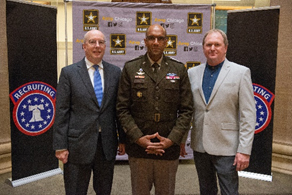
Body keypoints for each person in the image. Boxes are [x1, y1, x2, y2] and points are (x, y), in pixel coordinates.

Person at [116, 24, 193, 195]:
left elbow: (187, 110)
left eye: (160, 38)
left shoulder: (178, 69)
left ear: (166, 42)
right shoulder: (131, 68)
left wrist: (172, 140)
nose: (155, 42)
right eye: (151, 38)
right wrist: (138, 138)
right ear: (145, 41)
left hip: (167, 148)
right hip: (139, 148)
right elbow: (122, 109)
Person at [181, 29, 256, 195]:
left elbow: (248, 115)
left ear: (225, 48)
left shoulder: (241, 72)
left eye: (217, 44)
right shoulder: (192, 73)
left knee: (229, 191)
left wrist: (244, 150)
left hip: (227, 147)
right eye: (208, 44)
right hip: (200, 145)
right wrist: (182, 138)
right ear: (203, 48)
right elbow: (188, 110)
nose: (212, 48)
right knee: (206, 190)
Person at [53, 29, 126, 195]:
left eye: (101, 42)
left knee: (104, 190)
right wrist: (60, 146)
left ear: (105, 46)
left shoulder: (115, 73)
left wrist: (122, 138)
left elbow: (119, 109)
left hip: (106, 144)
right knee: (76, 190)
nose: (97, 46)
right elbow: (62, 111)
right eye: (92, 42)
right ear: (84, 46)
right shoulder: (69, 73)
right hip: (77, 145)